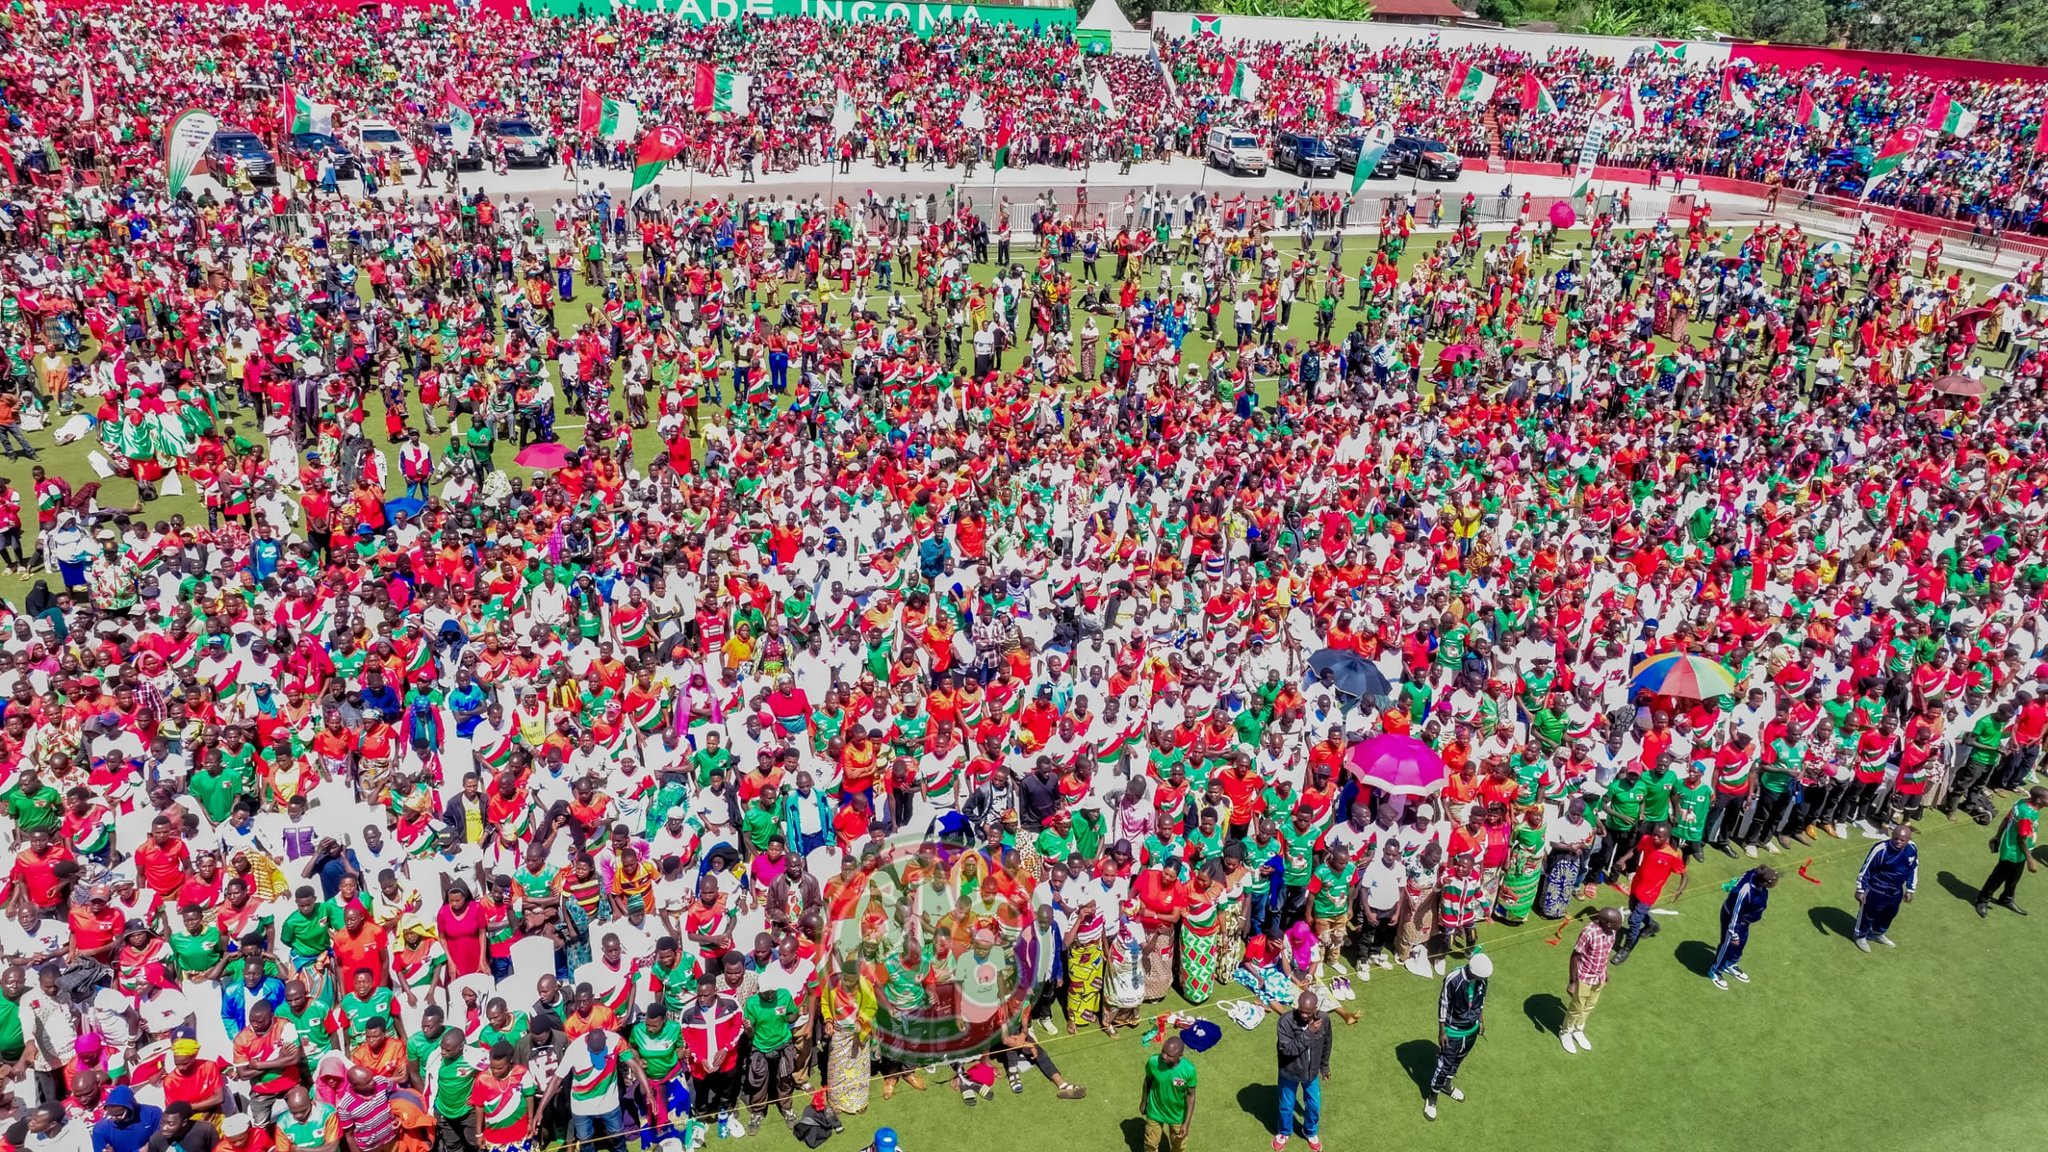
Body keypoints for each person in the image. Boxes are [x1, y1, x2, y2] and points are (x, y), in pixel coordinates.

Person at [1425, 951, 1489, 1121]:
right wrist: (1442, 1031)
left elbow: (1481, 1000)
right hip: (1453, 1031)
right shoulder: (1453, 979)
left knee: (1458, 1059)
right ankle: (1432, 1098)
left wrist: (1481, 1020)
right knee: (1444, 1065)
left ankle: (1447, 1085)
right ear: (1474, 972)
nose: (1484, 979)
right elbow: (1443, 1003)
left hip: (1471, 1030)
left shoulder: (1483, 979)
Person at [1975, 786, 2048, 918]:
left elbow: (2007, 819)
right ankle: (1982, 899)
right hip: (2013, 851)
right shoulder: (2027, 814)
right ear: (2038, 800)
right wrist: (2030, 860)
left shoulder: (2022, 802)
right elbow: (2021, 839)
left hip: (2019, 852)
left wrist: (1997, 836)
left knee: (2014, 878)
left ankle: (2006, 899)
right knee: (1997, 877)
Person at [1272, 991, 1330, 1151]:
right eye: (1301, 1011)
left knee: (1314, 1106)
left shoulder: (1324, 1019)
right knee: (1286, 1106)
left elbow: (1327, 1043)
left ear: (1316, 1009)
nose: (1304, 1015)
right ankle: (1284, 1132)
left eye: (1308, 1012)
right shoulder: (1285, 1021)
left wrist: (1324, 1066)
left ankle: (1310, 1132)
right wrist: (1309, 1032)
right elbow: (1288, 1050)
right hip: (1289, 1072)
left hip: (1311, 1074)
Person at [1560, 907, 1622, 1053]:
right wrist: (1572, 982)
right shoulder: (1588, 932)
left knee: (1590, 1005)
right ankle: (1565, 1032)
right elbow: (1575, 957)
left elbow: (1605, 952)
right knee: (1577, 1008)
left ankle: (1578, 1029)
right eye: (1618, 923)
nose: (1620, 926)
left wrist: (1605, 971)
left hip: (1599, 977)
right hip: (1584, 977)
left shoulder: (1612, 932)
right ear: (1608, 924)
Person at [1708, 866, 1778, 989]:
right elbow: (1735, 913)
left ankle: (1729, 964)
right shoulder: (1745, 891)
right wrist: (1733, 933)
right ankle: (1715, 971)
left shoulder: (1755, 875)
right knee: (1728, 946)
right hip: (1734, 921)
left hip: (1744, 922)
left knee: (1740, 945)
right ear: (1764, 882)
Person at [1852, 824, 1918, 950]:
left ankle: (1877, 933)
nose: (1898, 842)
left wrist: (1910, 889)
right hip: (1876, 889)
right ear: (1892, 836)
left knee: (1889, 914)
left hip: (1896, 890)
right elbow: (1866, 869)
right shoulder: (1881, 849)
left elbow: (1913, 868)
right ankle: (1859, 935)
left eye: (1902, 840)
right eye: (1896, 838)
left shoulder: (1912, 848)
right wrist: (1860, 889)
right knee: (1868, 913)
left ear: (1908, 839)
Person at [1137, 1035, 1197, 1152]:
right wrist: (1144, 1102)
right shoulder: (1153, 1061)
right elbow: (1148, 1081)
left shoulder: (1189, 1070)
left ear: (1180, 1055)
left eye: (1170, 1055)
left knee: (1179, 1147)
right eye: (1163, 1051)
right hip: (1155, 1110)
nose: (1164, 1056)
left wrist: (1186, 1123)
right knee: (1150, 1144)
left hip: (1177, 1115)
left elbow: (1191, 1096)